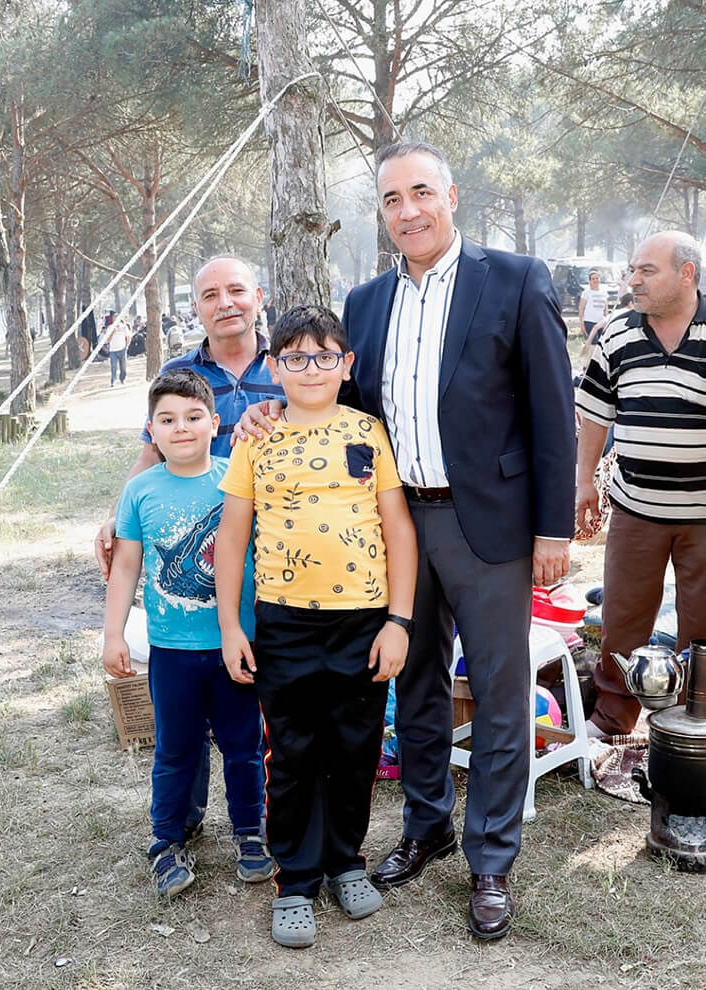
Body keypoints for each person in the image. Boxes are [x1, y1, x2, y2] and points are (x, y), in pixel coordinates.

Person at [237, 142, 574, 940]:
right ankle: (428, 825)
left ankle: (491, 859)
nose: (409, 211)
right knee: (410, 682)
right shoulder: (366, 300)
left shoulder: (516, 279)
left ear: (450, 194)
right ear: (382, 213)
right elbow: (337, 402)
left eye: (421, 192)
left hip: (488, 520)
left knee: (495, 691)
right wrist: (267, 412)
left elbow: (552, 410)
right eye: (392, 199)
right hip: (389, 525)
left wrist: (553, 526)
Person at [215, 305, 417, 949]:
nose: (311, 369)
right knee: (295, 753)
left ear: (346, 365)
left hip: (363, 622)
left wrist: (399, 622)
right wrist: (230, 625)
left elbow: (398, 531)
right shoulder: (255, 438)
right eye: (296, 358)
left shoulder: (368, 433)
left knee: (355, 747)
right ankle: (296, 880)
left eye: (325, 356)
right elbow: (231, 538)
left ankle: (345, 862)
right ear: (274, 366)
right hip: (284, 624)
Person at [93, 254, 284, 848]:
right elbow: (150, 454)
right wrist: (117, 512)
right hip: (184, 598)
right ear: (196, 306)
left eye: (235, 291)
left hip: (266, 558)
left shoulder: (288, 367)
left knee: (245, 727)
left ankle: (254, 826)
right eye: (210, 295)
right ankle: (185, 818)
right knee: (182, 735)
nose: (224, 303)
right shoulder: (178, 370)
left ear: (257, 296)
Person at [102, 369, 272, 900]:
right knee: (175, 750)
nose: (181, 428)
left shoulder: (234, 480)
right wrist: (113, 635)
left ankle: (250, 833)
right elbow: (126, 568)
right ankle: (167, 841)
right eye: (167, 420)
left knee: (244, 747)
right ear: (150, 430)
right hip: (172, 651)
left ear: (214, 423)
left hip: (234, 646)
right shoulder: (140, 491)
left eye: (194, 417)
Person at [574, 231, 706, 738]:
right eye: (632, 270)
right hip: (636, 506)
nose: (634, 280)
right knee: (622, 619)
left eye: (647, 270)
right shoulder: (616, 333)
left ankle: (694, 720)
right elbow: (595, 414)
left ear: (687, 274)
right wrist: (584, 481)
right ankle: (612, 717)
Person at [578, 269, 609, 340]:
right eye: (593, 279)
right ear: (590, 281)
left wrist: (606, 322)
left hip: (601, 322)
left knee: (601, 342)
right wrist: (582, 325)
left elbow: (606, 309)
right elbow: (581, 309)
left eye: (597, 278)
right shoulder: (586, 293)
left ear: (600, 279)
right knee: (593, 343)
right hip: (589, 322)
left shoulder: (604, 292)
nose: (595, 280)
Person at [105, 316, 131, 386]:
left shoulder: (124, 327)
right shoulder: (110, 328)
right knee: (113, 366)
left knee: (123, 366)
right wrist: (113, 332)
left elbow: (128, 337)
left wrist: (127, 346)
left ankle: (122, 379)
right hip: (113, 350)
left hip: (122, 349)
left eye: (117, 318)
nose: (115, 320)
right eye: (114, 318)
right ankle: (113, 380)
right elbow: (107, 340)